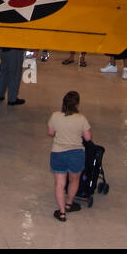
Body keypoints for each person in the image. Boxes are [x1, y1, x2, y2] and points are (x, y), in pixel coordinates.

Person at [47, 91, 91, 221]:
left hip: (58, 154)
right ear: (77, 104)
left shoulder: (55, 116)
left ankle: (61, 213)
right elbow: (88, 138)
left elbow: (50, 132)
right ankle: (69, 204)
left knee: (59, 184)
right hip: (76, 155)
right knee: (74, 180)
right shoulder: (81, 118)